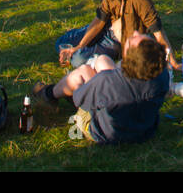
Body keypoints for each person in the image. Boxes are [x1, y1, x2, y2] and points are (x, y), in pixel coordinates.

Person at [33, 32, 171, 144]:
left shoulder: (107, 81)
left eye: (133, 38)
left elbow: (79, 98)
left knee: (83, 71)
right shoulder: (161, 75)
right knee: (103, 60)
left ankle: (47, 94)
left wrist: (92, 81)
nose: (134, 32)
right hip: (144, 130)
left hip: (105, 133)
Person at [55, 0, 179, 70]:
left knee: (78, 59)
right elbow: (99, 19)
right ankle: (86, 48)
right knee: (62, 43)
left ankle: (96, 58)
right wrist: (80, 45)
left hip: (117, 40)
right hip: (105, 27)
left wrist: (173, 62)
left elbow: (158, 32)